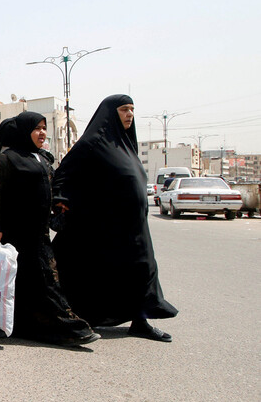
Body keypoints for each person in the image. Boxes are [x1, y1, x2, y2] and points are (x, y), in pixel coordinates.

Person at [0, 112, 100, 346]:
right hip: (13, 233)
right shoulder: (7, 160)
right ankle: (73, 330)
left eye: (44, 128)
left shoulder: (42, 158)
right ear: (24, 131)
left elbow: (48, 187)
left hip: (38, 233)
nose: (42, 133)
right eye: (37, 128)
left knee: (25, 284)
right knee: (34, 280)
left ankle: (14, 323)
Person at [52, 94, 178, 342]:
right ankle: (79, 319)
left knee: (143, 269)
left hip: (135, 228)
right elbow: (63, 175)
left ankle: (140, 320)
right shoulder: (93, 143)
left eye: (132, 109)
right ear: (111, 113)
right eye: (124, 109)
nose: (130, 114)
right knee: (97, 274)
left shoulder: (127, 144)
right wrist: (63, 203)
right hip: (105, 228)